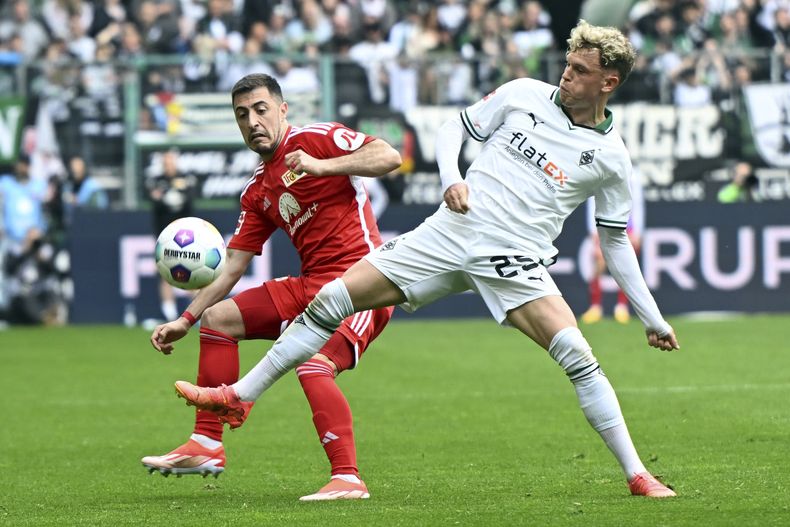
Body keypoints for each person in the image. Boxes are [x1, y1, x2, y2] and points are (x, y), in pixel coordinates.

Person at [170, 21, 681, 499]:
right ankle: (239, 395)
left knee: (577, 356)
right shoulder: (525, 94)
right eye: (567, 65)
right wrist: (450, 179)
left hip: (514, 259)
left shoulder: (612, 159)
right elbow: (449, 131)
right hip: (449, 232)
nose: (566, 76)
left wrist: (651, 317)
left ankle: (637, 474)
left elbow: (614, 241)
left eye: (580, 71)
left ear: (608, 82)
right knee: (333, 297)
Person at [143, 73, 402, 501]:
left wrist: (324, 166)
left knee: (313, 364)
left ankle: (348, 477)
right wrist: (184, 320)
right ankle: (207, 445)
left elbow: (387, 156)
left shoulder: (318, 139)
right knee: (219, 319)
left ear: (282, 110)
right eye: (242, 114)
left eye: (261, 109)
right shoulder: (257, 190)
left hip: (363, 284)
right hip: (312, 286)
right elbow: (231, 268)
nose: (252, 121)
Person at [580, 169, 644, 324]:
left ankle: (621, 307)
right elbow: (592, 202)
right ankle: (595, 306)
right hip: (602, 225)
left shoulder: (632, 176)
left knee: (625, 267)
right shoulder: (599, 173)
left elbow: (638, 204)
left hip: (626, 227)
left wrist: (638, 230)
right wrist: (592, 230)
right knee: (599, 263)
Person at [146, 148, 196, 322]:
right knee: (165, 273)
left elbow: (188, 199)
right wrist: (167, 198)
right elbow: (154, 199)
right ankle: (169, 314)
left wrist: (171, 197)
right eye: (165, 161)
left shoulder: (186, 178)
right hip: (164, 235)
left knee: (192, 270)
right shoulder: (156, 181)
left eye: (170, 160)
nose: (168, 164)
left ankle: (195, 314)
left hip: (186, 234)